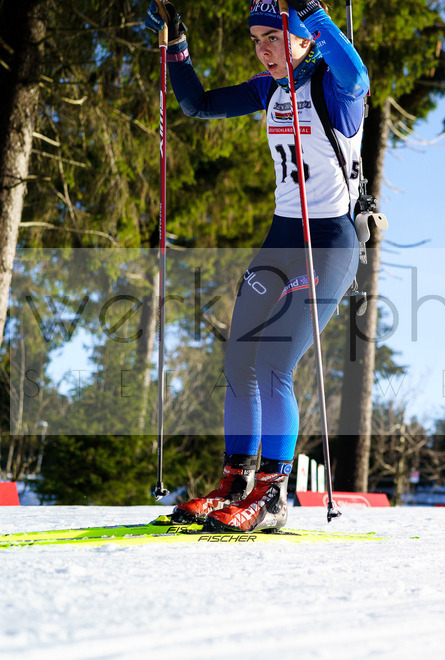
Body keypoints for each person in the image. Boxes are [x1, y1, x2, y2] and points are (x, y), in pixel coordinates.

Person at [145, 0, 369, 532]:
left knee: (274, 365)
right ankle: (236, 482)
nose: (263, 49)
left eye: (274, 37)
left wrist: (313, 11)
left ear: (303, 40)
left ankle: (274, 496)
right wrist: (176, 47)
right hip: (281, 236)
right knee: (239, 359)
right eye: (256, 39)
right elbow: (197, 104)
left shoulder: (335, 92)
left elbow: (357, 73)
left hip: (329, 242)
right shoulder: (268, 90)